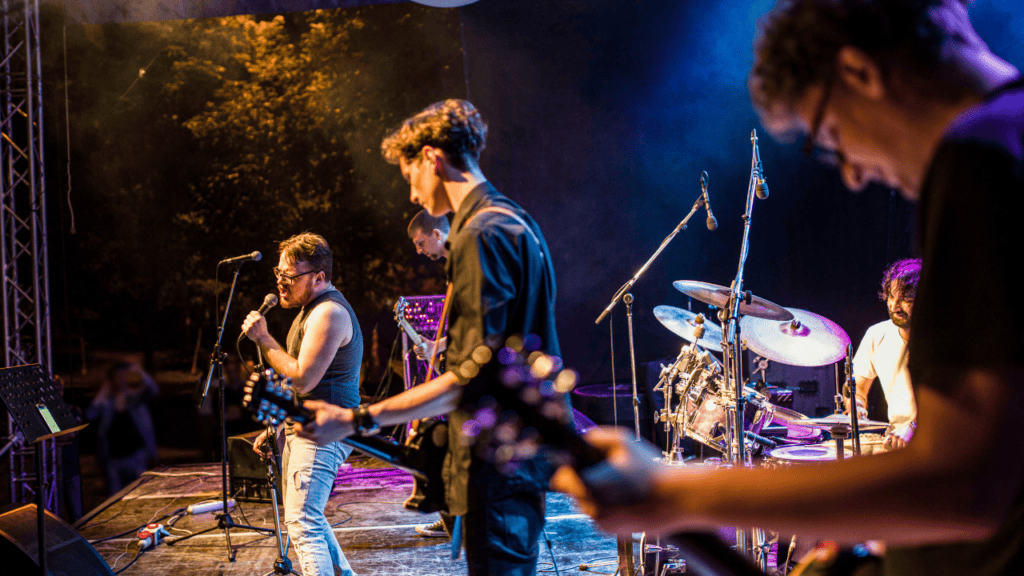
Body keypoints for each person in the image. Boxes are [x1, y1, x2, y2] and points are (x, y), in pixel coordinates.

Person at [552, 2, 1024, 575]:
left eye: (832, 137)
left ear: (858, 72)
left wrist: (672, 492)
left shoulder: (979, 157)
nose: (852, 172)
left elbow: (963, 485)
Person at [293, 99, 561, 576]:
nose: (413, 194)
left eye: (409, 176)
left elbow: (471, 379)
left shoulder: (479, 234)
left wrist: (356, 418)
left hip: (498, 469)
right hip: (519, 462)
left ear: (432, 159)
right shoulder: (516, 220)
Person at [242, 232, 362, 576]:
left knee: (303, 521)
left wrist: (264, 339)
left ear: (319, 278)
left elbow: (303, 379)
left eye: (289, 276)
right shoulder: (309, 311)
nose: (280, 282)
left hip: (327, 429)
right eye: (278, 274)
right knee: (309, 516)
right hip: (307, 425)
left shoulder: (329, 313)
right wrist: (277, 426)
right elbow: (303, 389)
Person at [406, 208, 454, 539]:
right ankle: (452, 517)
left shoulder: (469, 265)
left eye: (421, 242)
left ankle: (456, 518)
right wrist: (437, 346)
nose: (419, 251)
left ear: (437, 234)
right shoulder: (454, 271)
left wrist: (438, 346)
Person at [849, 258, 921, 451]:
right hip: (895, 440)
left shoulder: (944, 342)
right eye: (891, 296)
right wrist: (857, 405)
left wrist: (914, 428)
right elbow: (857, 388)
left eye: (906, 299)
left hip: (936, 442)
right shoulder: (877, 335)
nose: (895, 305)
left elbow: (958, 405)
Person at [86, 361, 159, 496]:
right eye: (118, 376)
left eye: (124, 376)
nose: (121, 379)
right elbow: (90, 414)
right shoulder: (107, 401)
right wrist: (104, 390)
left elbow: (153, 390)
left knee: (139, 494)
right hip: (112, 458)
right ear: (112, 379)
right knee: (115, 497)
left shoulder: (135, 398)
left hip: (136, 455)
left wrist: (140, 372)